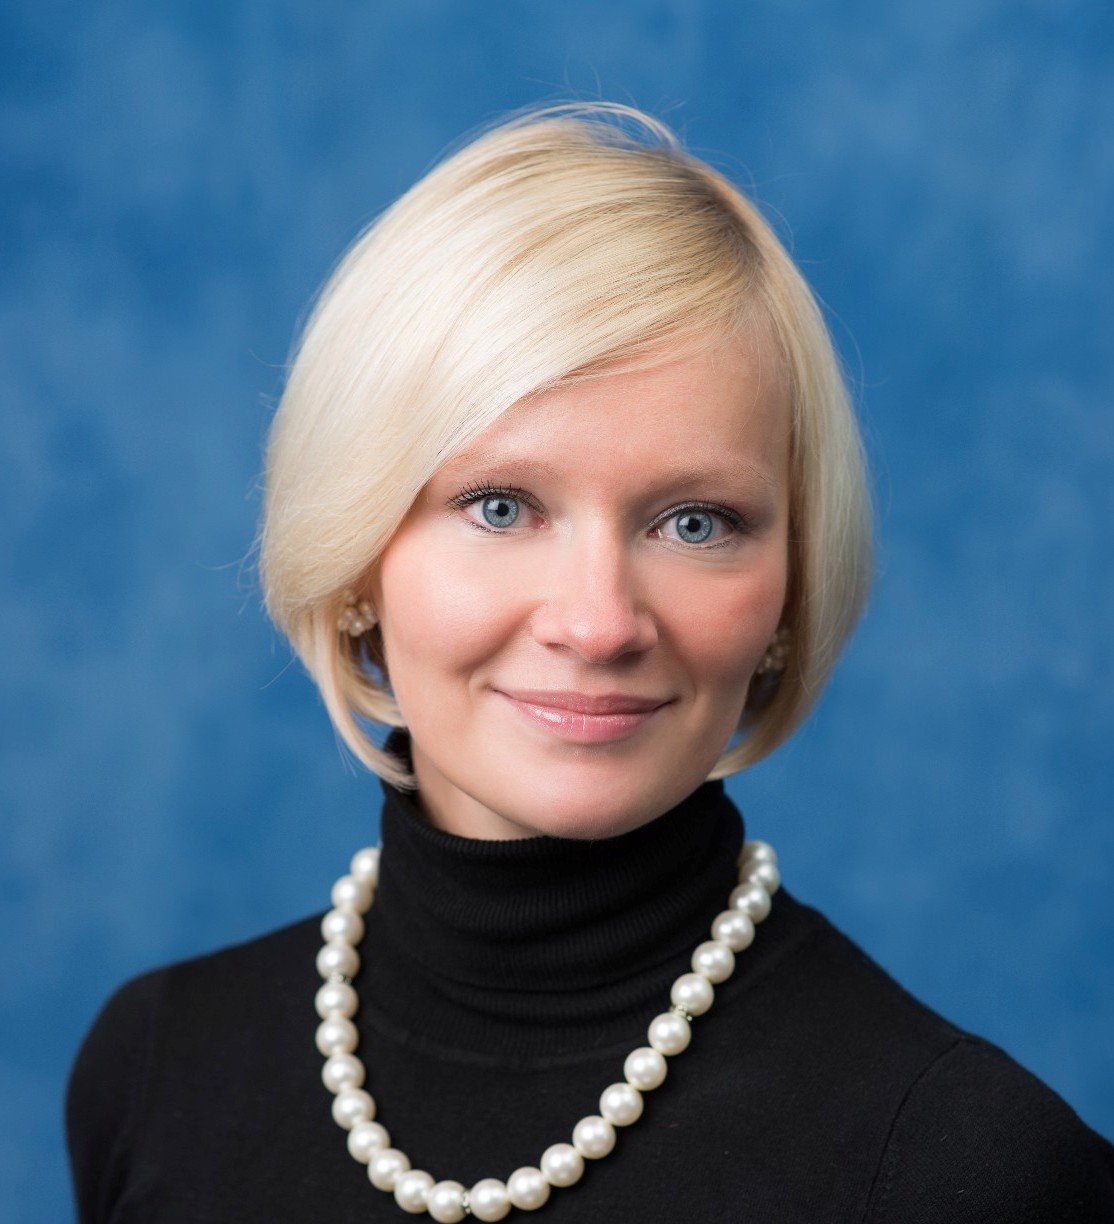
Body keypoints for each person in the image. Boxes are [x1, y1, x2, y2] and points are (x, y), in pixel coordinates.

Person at [65, 101, 1114, 1223]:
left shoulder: (969, 1166)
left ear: (790, 591)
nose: (599, 623)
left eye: (695, 523)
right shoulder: (156, 1070)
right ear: (358, 557)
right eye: (500, 506)